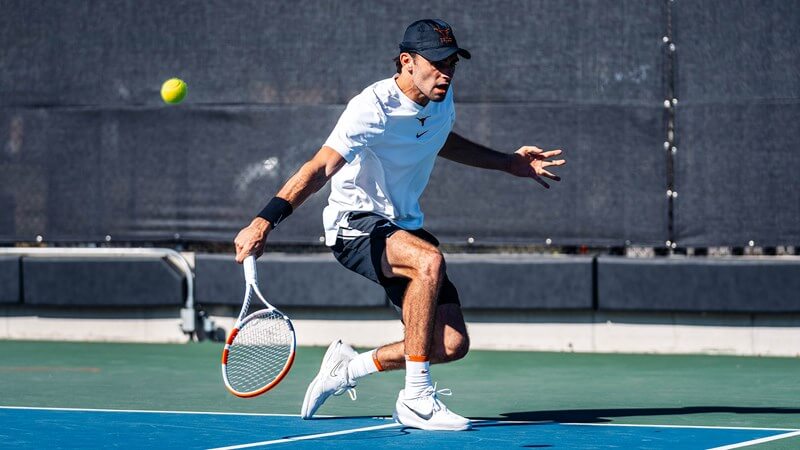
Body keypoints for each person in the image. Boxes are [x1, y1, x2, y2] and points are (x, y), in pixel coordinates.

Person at [233, 18, 565, 431]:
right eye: (437, 63)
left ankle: (348, 368)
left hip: (403, 224)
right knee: (429, 260)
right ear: (407, 61)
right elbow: (320, 167)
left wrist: (507, 163)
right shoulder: (371, 108)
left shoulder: (441, 98)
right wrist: (264, 220)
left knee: (450, 344)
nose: (446, 72)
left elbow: (442, 139)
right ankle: (416, 398)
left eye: (453, 63)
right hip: (355, 224)